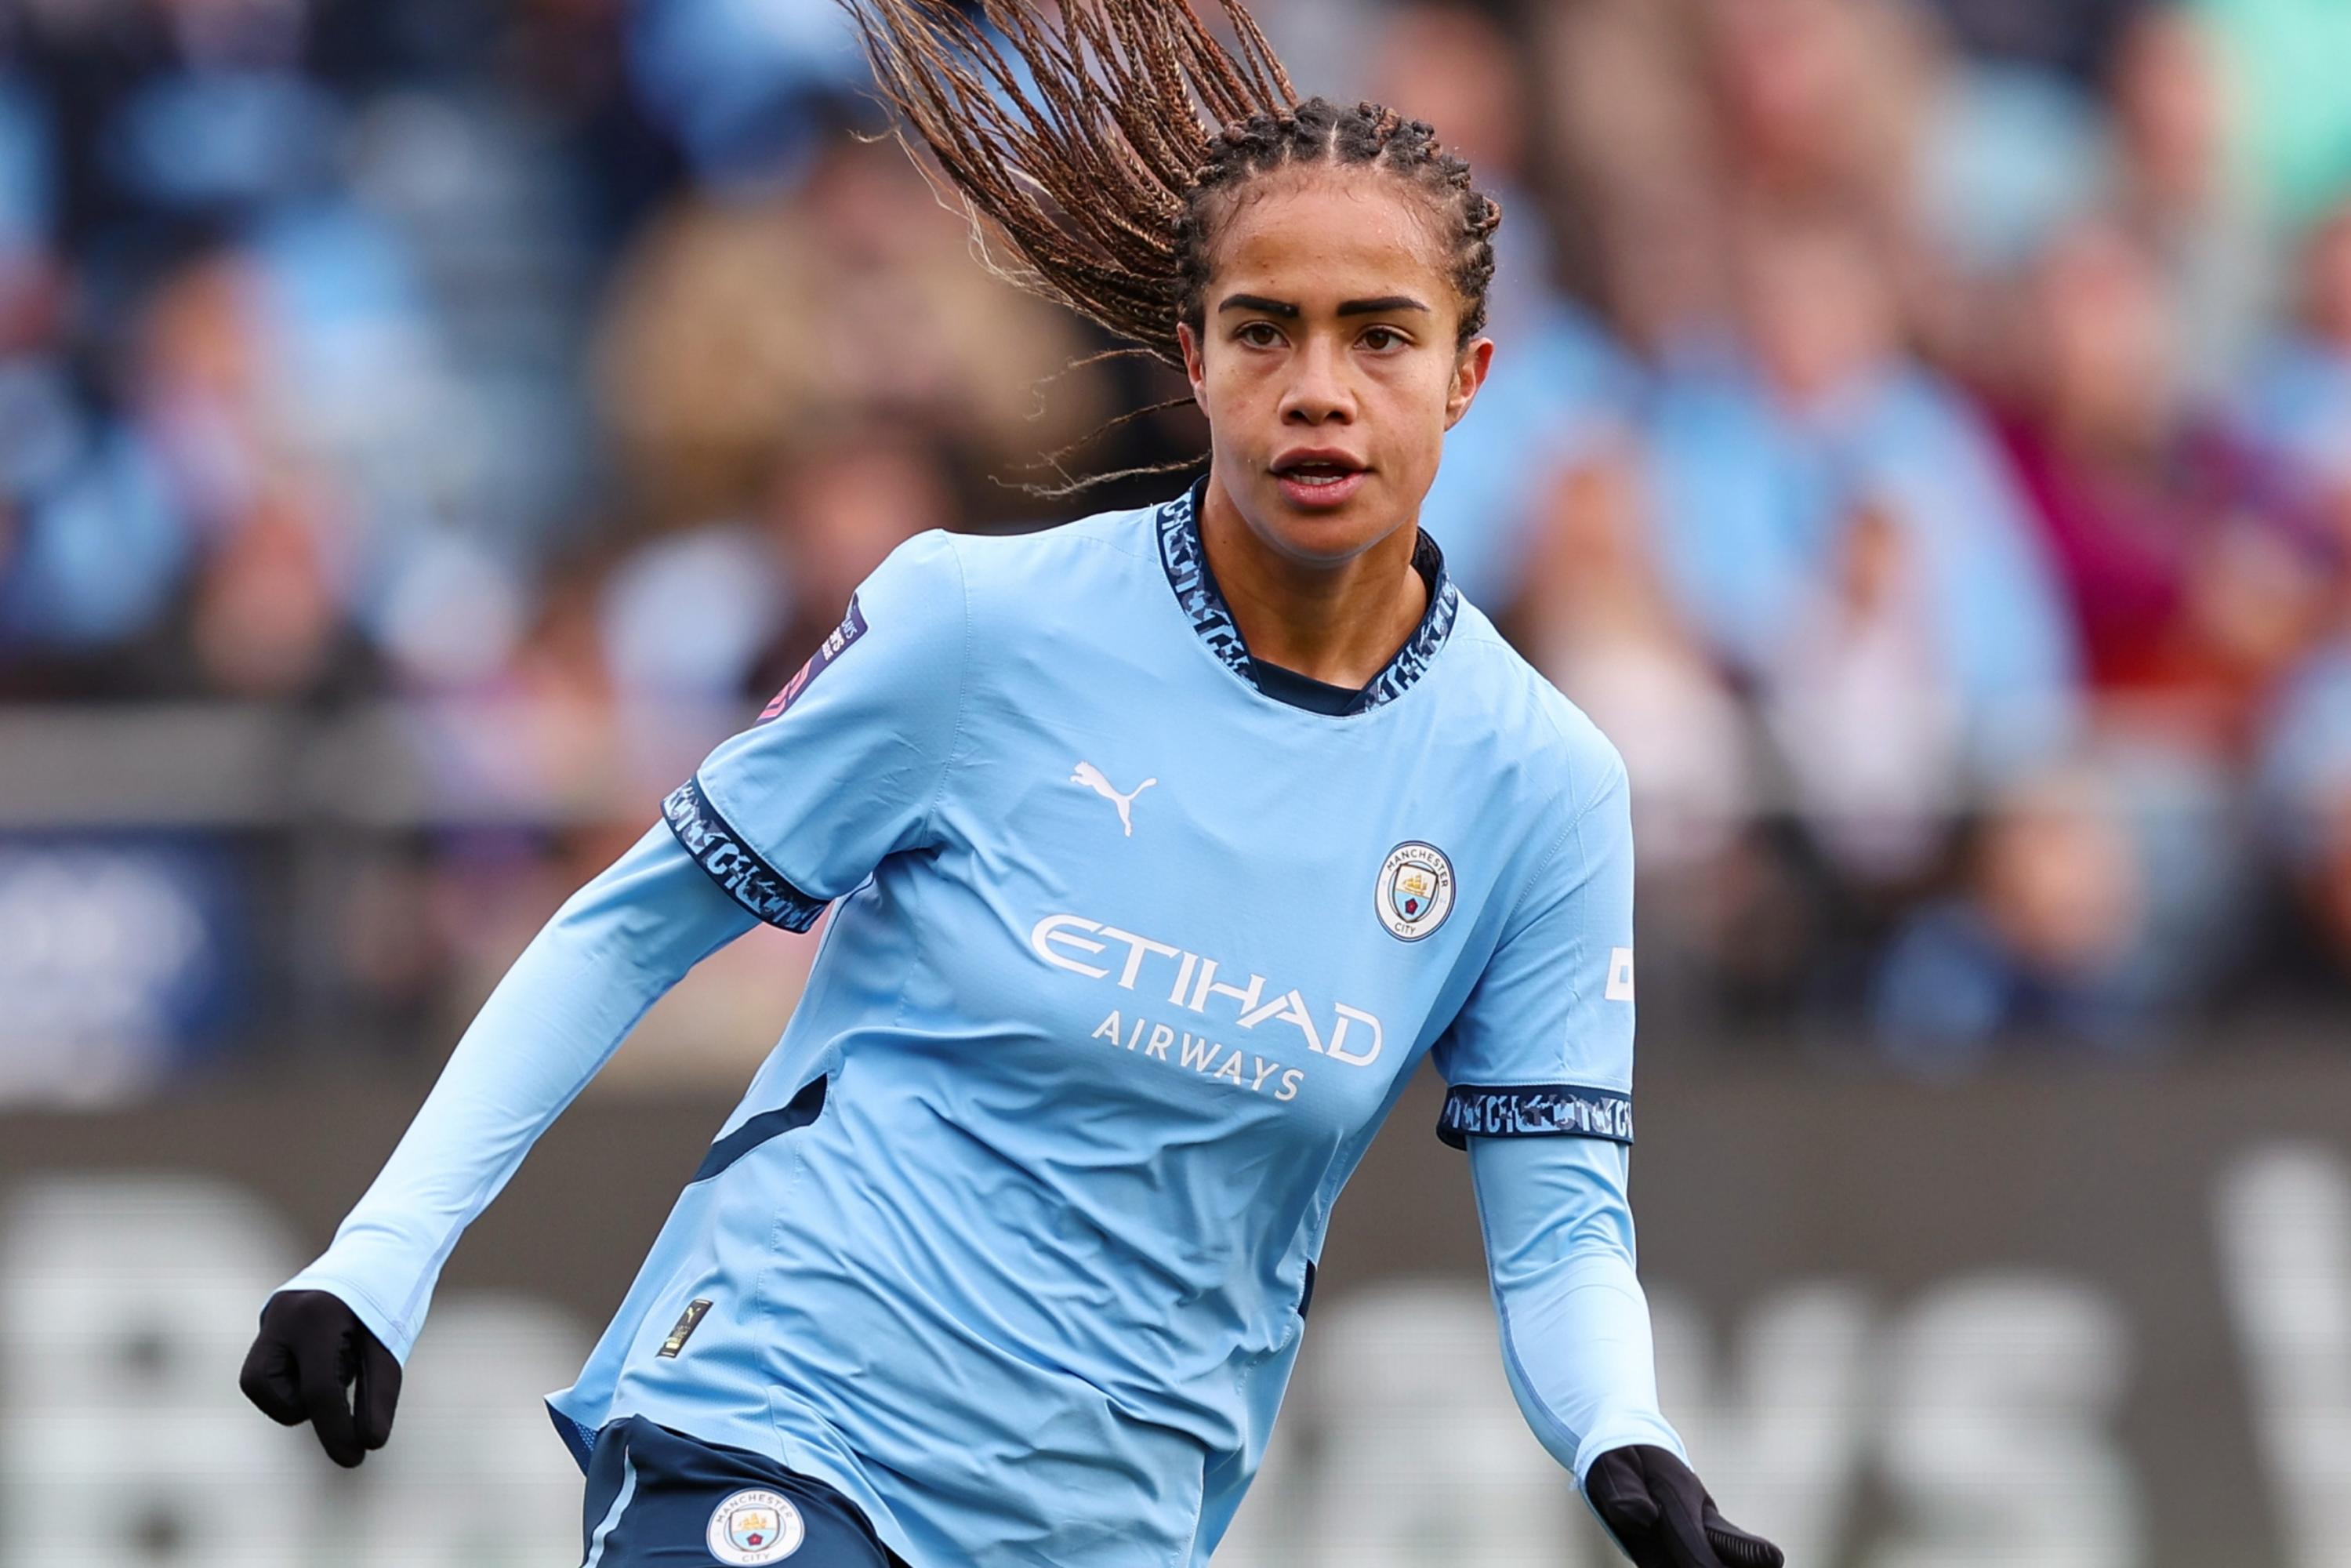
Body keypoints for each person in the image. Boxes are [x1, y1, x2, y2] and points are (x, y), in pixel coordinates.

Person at [238, 4, 1783, 1566]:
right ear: (1192, 360)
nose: (1319, 388)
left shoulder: (1537, 782)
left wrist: (1620, 1432)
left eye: (1379, 334)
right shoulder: (976, 626)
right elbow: (627, 928)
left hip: (1107, 1523)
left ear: (1469, 373)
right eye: (1265, 330)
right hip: (785, 1416)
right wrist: (381, 1255)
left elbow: (1563, 1222)